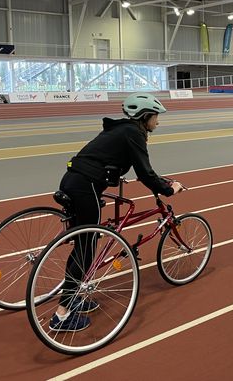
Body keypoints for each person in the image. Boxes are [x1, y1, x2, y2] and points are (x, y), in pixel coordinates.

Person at [50, 92, 186, 332]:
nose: (158, 121)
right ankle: (62, 316)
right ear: (145, 117)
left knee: (83, 242)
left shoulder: (119, 130)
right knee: (86, 248)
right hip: (86, 187)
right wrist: (168, 189)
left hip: (72, 180)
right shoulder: (133, 133)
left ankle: (74, 297)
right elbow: (145, 173)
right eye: (156, 116)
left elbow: (104, 157)